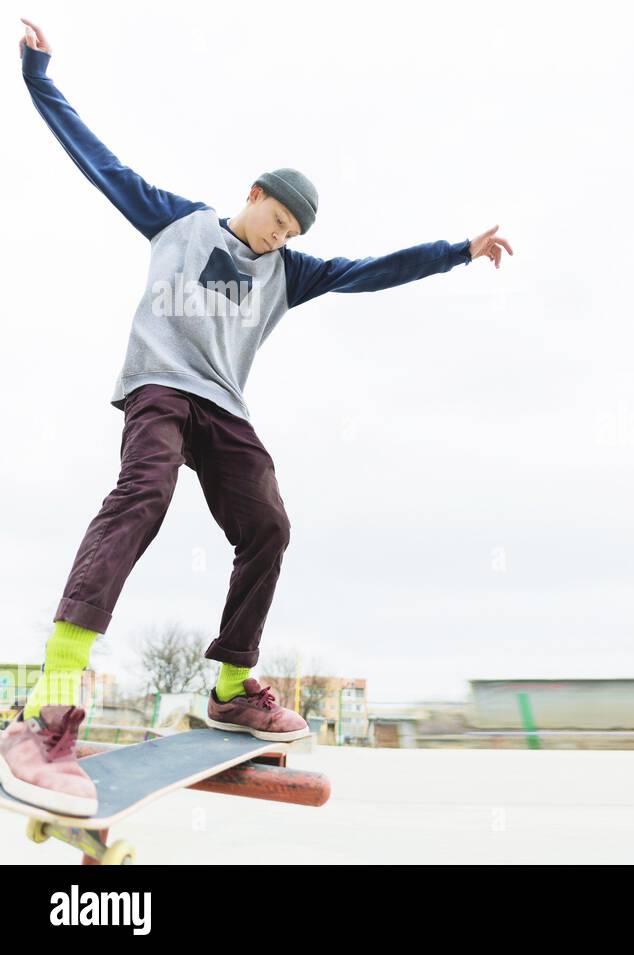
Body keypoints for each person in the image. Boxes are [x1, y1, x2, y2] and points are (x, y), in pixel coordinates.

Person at [0, 18, 513, 815]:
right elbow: (97, 159)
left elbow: (369, 270)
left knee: (268, 524)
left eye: (291, 237)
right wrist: (38, 77)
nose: (278, 242)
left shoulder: (290, 272)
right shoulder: (175, 220)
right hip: (160, 390)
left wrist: (456, 250)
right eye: (275, 224)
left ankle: (234, 684)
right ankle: (50, 705)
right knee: (145, 493)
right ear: (253, 195)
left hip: (225, 406)